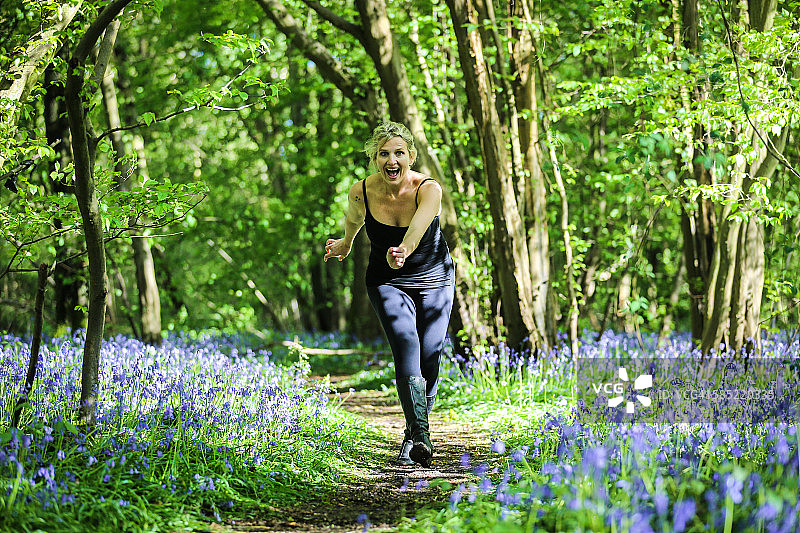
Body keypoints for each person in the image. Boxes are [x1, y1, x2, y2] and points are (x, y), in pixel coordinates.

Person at [324, 121, 455, 468]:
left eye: (399, 153)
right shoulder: (361, 192)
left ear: (411, 156)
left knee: (430, 355)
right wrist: (345, 243)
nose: (391, 159)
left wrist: (405, 249)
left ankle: (411, 437)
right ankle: (421, 435)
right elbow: (354, 220)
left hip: (435, 278)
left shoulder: (429, 189)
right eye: (384, 153)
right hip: (386, 280)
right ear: (374, 158)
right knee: (405, 343)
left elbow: (418, 225)